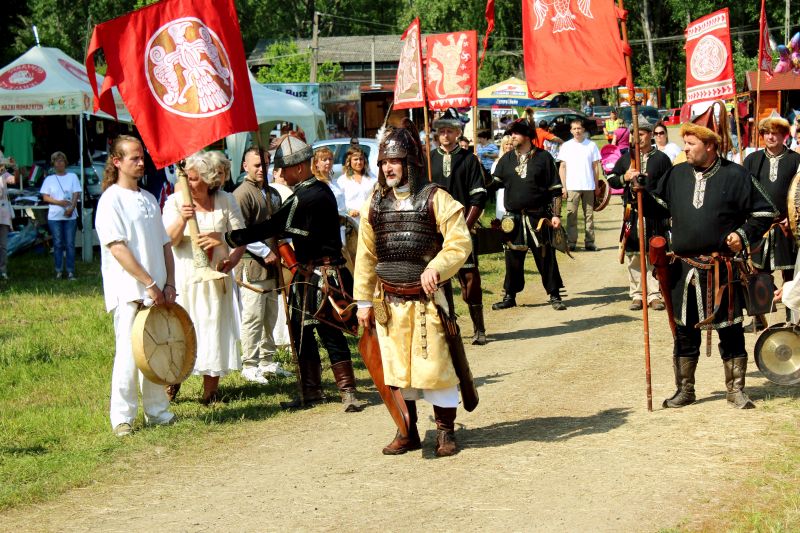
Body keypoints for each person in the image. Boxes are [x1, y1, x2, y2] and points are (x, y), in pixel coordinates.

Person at [353, 122, 472, 456]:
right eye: (383, 162)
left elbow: (459, 242)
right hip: (389, 303)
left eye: (395, 161)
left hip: (427, 302)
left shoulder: (436, 198)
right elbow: (366, 255)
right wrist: (363, 301)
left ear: (411, 163)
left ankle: (445, 432)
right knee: (397, 371)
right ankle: (407, 431)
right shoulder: (375, 203)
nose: (388, 168)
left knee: (435, 369)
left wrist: (437, 266)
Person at [225, 134, 364, 413]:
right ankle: (311, 390)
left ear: (298, 168)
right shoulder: (310, 191)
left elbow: (272, 226)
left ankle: (348, 391)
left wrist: (233, 237)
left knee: (330, 332)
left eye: (284, 169)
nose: (279, 173)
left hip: (324, 274)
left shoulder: (310, 195)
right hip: (307, 273)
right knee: (301, 334)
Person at [652, 114, 776, 410]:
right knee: (684, 331)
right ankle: (685, 390)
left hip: (722, 270)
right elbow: (657, 207)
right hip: (684, 269)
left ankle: (736, 390)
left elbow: (766, 211)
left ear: (709, 145)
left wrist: (742, 235)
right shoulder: (676, 174)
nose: (685, 148)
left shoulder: (736, 175)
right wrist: (638, 189)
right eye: (684, 143)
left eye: (691, 143)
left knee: (730, 330)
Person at [95, 135, 177, 437]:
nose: (141, 163)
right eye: (134, 158)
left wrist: (169, 283)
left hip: (157, 291)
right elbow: (118, 248)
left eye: (143, 157)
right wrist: (149, 283)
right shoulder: (111, 200)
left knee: (155, 354)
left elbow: (165, 244)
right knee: (128, 357)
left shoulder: (149, 198)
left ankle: (158, 412)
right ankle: (123, 418)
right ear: (117, 162)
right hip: (130, 291)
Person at [162, 153, 245, 404]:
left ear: (209, 180)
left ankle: (210, 392)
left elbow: (241, 237)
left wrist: (229, 256)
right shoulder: (175, 202)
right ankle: (171, 383)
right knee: (181, 329)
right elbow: (168, 240)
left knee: (213, 327)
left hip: (215, 277)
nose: (188, 183)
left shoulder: (226, 200)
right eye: (186, 177)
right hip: (185, 276)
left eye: (194, 179)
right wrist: (183, 218)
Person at [490, 111, 567, 312]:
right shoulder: (506, 159)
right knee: (512, 259)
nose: (512, 137)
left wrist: (556, 215)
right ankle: (510, 296)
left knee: (545, 257)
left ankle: (554, 294)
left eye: (515, 133)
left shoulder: (543, 157)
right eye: (511, 134)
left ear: (526, 135)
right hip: (513, 219)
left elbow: (555, 190)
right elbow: (493, 184)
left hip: (538, 217)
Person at [229, 147, 292, 384]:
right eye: (256, 165)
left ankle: (267, 361)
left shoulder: (272, 192)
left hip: (273, 265)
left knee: (270, 316)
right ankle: (250, 364)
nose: (261, 169)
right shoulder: (241, 194)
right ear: (245, 166)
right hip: (252, 264)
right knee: (253, 316)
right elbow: (239, 231)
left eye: (265, 164)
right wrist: (265, 251)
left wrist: (285, 250)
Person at [430, 108, 489, 344]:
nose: (445, 135)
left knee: (469, 279)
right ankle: (448, 329)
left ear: (457, 133)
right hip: (435, 232)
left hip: (462, 227)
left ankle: (479, 329)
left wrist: (464, 227)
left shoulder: (469, 159)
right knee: (437, 280)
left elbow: (479, 196)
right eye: (442, 131)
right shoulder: (429, 160)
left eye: (449, 131)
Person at [606, 116, 671, 311]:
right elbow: (611, 178)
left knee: (654, 253)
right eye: (635, 134)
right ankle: (637, 294)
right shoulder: (627, 158)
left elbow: (669, 186)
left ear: (650, 135)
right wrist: (625, 177)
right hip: (632, 213)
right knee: (634, 254)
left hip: (654, 213)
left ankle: (654, 295)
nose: (638, 138)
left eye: (641, 134)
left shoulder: (661, 159)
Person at [743, 117, 800, 330]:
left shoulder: (795, 160)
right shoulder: (752, 160)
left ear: (784, 135)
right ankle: (760, 319)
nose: (770, 136)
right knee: (758, 273)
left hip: (786, 226)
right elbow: (745, 191)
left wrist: (793, 216)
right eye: (766, 132)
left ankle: (793, 320)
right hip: (760, 225)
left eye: (775, 132)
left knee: (791, 274)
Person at [558, 119, 602, 252]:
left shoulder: (591, 145)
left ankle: (590, 242)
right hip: (572, 186)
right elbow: (562, 167)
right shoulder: (566, 146)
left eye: (579, 128)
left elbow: (595, 167)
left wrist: (596, 186)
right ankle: (571, 242)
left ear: (583, 130)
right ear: (571, 131)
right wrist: (564, 187)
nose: (577, 131)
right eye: (574, 128)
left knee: (589, 216)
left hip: (589, 186)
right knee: (571, 216)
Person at [40, 151, 81, 280]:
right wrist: (59, 202)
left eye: (61, 160)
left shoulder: (73, 176)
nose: (59, 163)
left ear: (65, 162)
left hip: (70, 215)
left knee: (70, 244)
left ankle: (70, 271)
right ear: (53, 164)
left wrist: (71, 208)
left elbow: (76, 193)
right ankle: (58, 270)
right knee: (57, 243)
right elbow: (45, 197)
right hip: (54, 216)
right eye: (57, 161)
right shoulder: (49, 179)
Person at [336, 146, 376, 227]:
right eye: (355, 159)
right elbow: (339, 203)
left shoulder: (372, 178)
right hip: (351, 223)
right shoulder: (342, 180)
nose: (359, 162)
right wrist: (348, 211)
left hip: (369, 220)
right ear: (349, 161)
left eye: (361, 159)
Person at [0, 155, 17, 280]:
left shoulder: (4, 175)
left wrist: (15, 167)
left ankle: (3, 270)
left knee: (3, 245)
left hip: (3, 214)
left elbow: (14, 180)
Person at [492, 135, 514, 220]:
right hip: (502, 191)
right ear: (503, 146)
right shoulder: (497, 162)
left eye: (511, 144)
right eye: (506, 144)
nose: (509, 146)